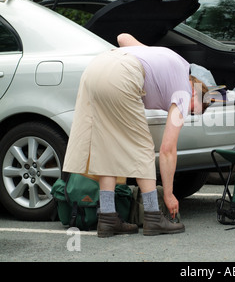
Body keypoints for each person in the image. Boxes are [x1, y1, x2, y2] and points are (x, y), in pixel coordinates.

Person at [63, 33, 208, 237]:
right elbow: (167, 149)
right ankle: (153, 217)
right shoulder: (184, 92)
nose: (188, 113)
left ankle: (107, 218)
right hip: (122, 75)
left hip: (95, 68)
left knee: (106, 146)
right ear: (197, 92)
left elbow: (122, 38)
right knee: (142, 148)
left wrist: (145, 51)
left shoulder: (166, 59)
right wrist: (169, 194)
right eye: (195, 109)